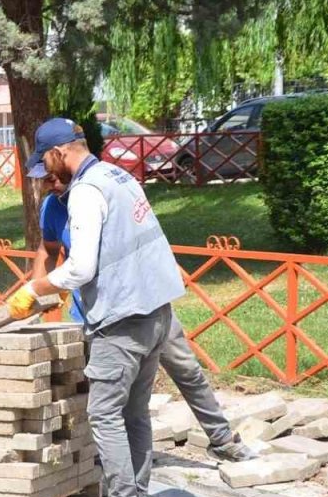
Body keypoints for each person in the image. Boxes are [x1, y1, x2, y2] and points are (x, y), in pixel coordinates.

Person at [7, 118, 183, 497]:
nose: (46, 174)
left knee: (104, 413)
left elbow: (80, 267)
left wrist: (34, 289)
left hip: (121, 319)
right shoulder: (118, 176)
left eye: (46, 163)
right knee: (135, 413)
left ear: (60, 152)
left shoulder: (86, 191)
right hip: (156, 311)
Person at [35, 174, 257, 466]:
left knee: (186, 369)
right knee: (110, 392)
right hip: (101, 315)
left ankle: (222, 440)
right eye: (43, 179)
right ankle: (115, 458)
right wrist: (36, 291)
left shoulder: (102, 194)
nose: (50, 184)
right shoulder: (52, 207)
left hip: (147, 303)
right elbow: (48, 249)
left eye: (53, 177)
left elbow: (142, 237)